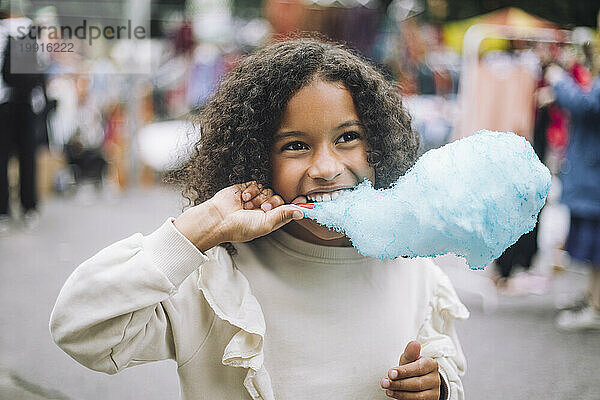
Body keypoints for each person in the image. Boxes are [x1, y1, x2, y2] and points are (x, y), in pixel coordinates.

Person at [50, 38, 468, 400]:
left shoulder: (412, 268)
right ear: (254, 160)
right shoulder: (214, 280)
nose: (326, 167)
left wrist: (437, 386)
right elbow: (80, 327)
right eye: (296, 145)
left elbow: (444, 357)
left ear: (378, 145)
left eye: (347, 137)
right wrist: (205, 224)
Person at [545, 63, 600, 331]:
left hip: (595, 178)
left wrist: (559, 80)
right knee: (594, 251)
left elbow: (587, 105)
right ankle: (593, 300)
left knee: (598, 250)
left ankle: (596, 308)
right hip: (592, 177)